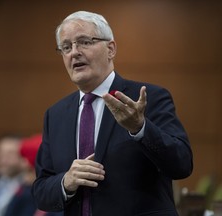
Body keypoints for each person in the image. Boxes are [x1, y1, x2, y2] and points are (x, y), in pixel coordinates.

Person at [32, 11, 193, 216]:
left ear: (110, 49)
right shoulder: (55, 115)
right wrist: (66, 181)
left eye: (84, 42)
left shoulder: (147, 98)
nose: (74, 52)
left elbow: (182, 165)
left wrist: (140, 128)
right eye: (66, 47)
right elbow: (41, 191)